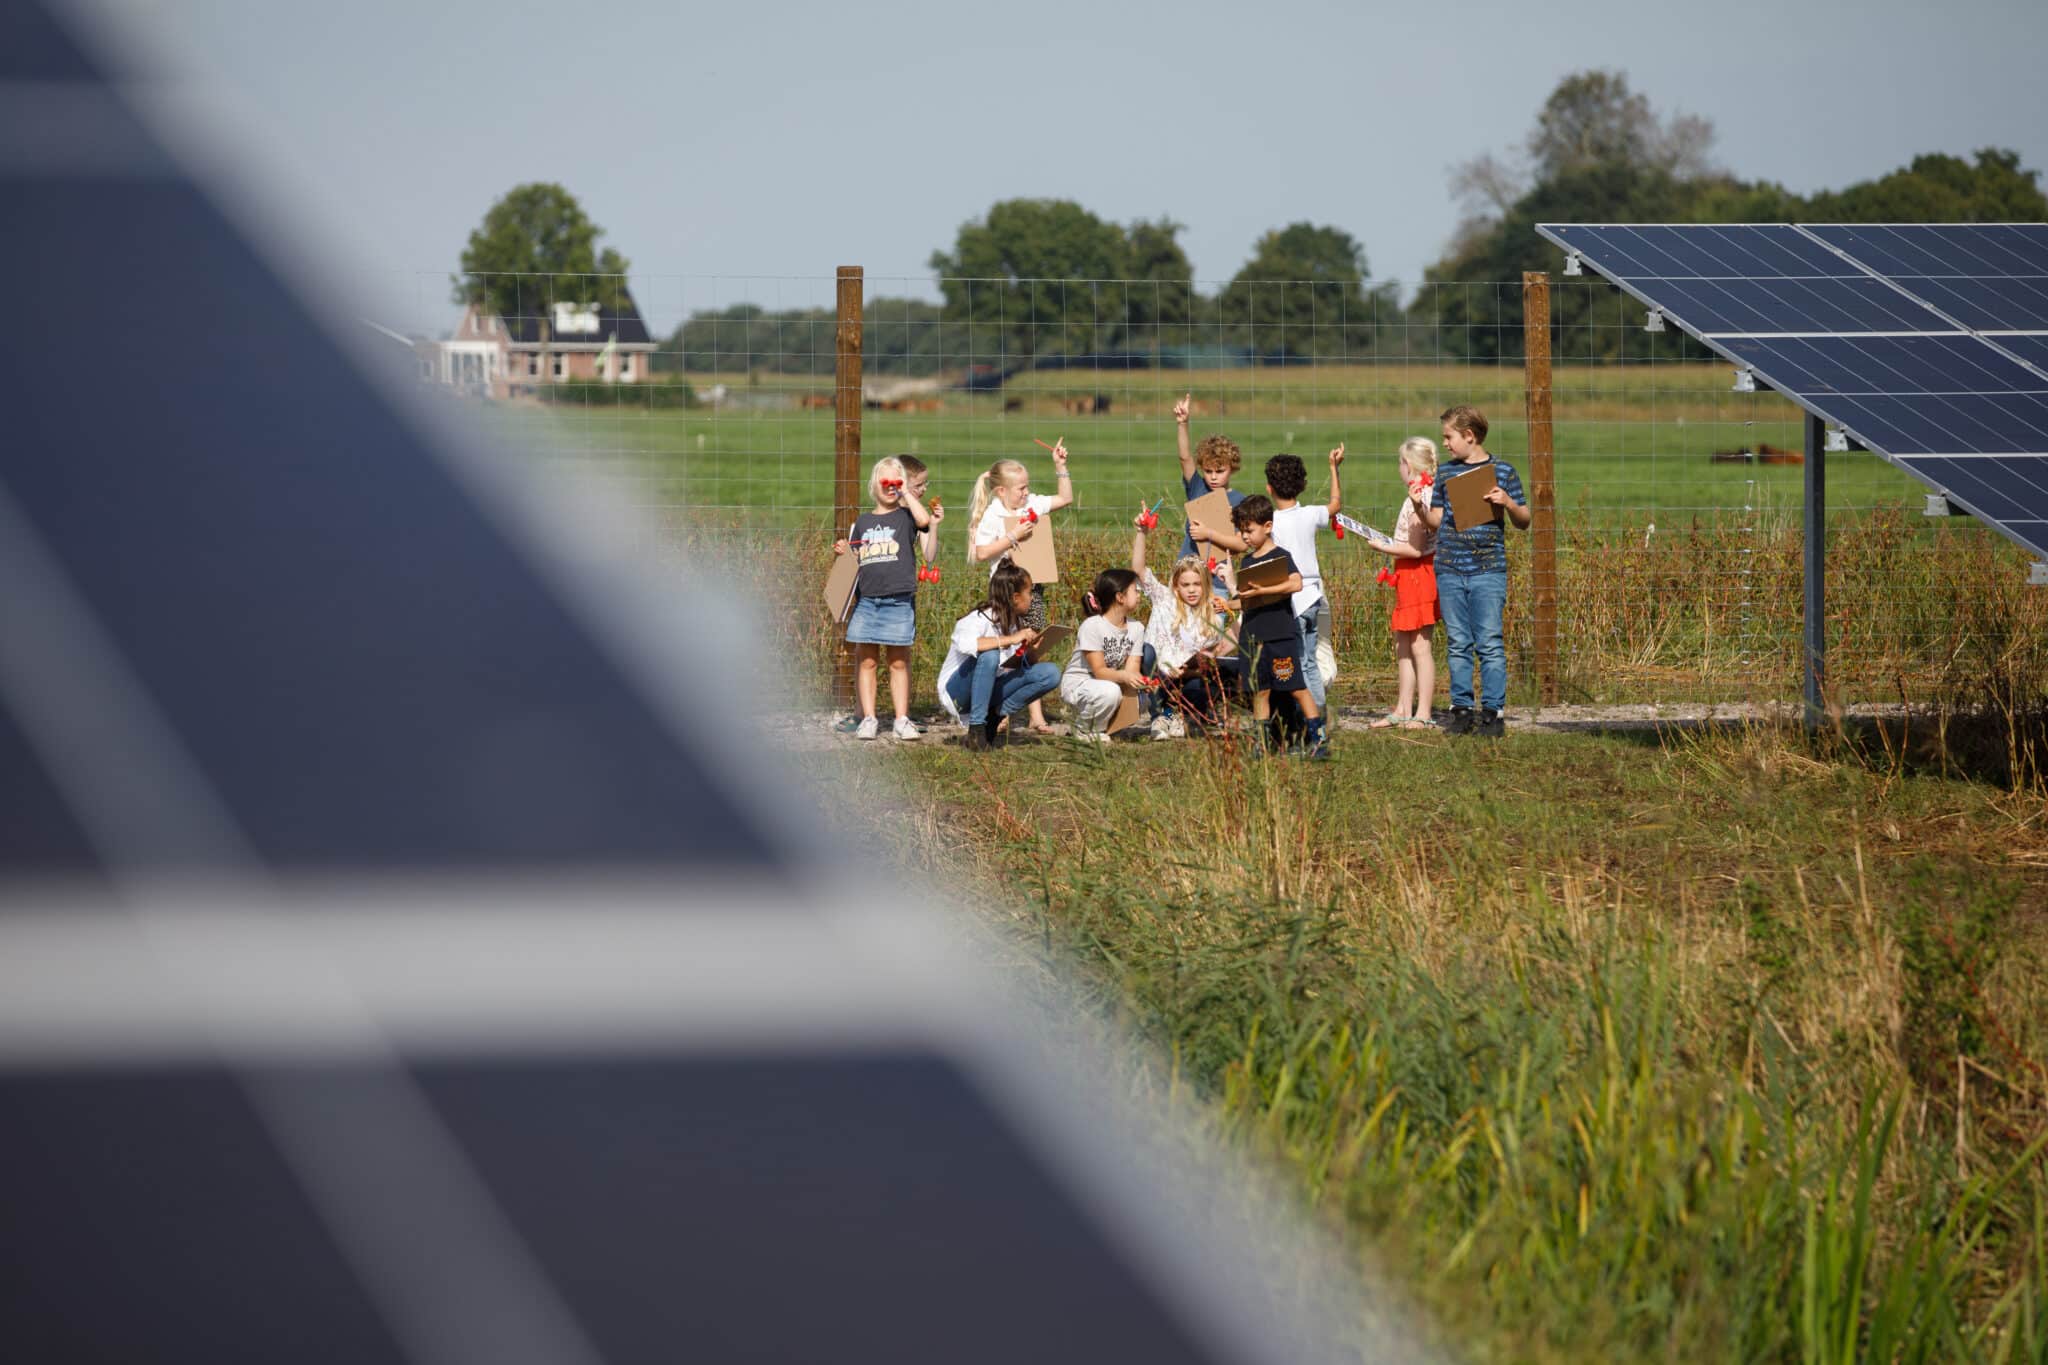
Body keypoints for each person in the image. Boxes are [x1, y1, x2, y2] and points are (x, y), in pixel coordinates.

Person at [1414, 405, 1528, 737]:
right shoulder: (1447, 474)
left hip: (1487, 571)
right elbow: (1437, 520)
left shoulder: (1503, 472)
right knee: (1458, 641)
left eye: (1449, 437)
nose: (1445, 444)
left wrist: (1507, 502)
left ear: (1469, 435)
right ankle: (1461, 709)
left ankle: (1493, 712)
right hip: (1449, 568)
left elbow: (1524, 521)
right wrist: (1421, 509)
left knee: (1489, 641)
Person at [968, 442, 1074, 734]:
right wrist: (1012, 537)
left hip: (1032, 590)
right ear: (1001, 491)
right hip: (1004, 594)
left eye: (1027, 487)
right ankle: (1001, 709)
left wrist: (1060, 466)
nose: (1026, 493)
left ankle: (1035, 715)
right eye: (1020, 489)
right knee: (1007, 650)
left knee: (1033, 645)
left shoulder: (1031, 505)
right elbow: (981, 553)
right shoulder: (992, 516)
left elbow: (1065, 498)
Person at [1224, 495, 1329, 760]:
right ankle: (1262, 744)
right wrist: (1226, 605)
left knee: (1295, 686)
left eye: (1249, 530)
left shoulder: (1281, 557)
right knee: (1260, 690)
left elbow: (1295, 584)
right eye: (1241, 531)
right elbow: (1247, 602)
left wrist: (1265, 588)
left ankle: (1318, 738)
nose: (1244, 536)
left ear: (1267, 526)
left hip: (1280, 636)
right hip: (1253, 637)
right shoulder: (1247, 562)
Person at [837, 455, 932, 741]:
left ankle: (902, 719)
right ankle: (869, 718)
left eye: (896, 481)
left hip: (898, 601)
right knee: (866, 661)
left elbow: (925, 520)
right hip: (868, 602)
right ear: (873, 486)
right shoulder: (863, 522)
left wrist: (906, 492)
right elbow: (856, 560)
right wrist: (845, 552)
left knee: (898, 661)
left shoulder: (906, 518)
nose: (891, 486)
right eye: (886, 482)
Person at [1130, 508, 1238, 736]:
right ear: (1176, 586)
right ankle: (1158, 715)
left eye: (1196, 585)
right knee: (1146, 652)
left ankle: (1180, 715)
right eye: (1185, 585)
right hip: (1160, 673)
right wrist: (1141, 533)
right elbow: (1138, 570)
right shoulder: (1164, 599)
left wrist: (1187, 672)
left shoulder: (1212, 615)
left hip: (1188, 677)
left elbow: (1209, 657)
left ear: (1205, 586)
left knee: (1207, 681)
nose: (1191, 590)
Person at [936, 561, 1061, 752]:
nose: (1033, 598)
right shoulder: (977, 619)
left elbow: (1015, 665)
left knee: (1050, 673)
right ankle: (976, 730)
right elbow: (970, 644)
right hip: (957, 694)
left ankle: (994, 717)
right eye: (1030, 593)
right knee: (990, 655)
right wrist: (1011, 639)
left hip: (989, 689)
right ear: (1016, 597)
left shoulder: (1016, 623)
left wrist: (1031, 651)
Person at [1366, 437, 1441, 729]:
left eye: (1400, 462)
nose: (1399, 467)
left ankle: (1422, 712)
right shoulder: (1420, 493)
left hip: (1419, 573)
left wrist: (1382, 546)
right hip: (1409, 575)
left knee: (1420, 646)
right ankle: (1402, 707)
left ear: (1408, 465)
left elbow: (1415, 548)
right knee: (1404, 645)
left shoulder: (1419, 498)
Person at [1264, 445, 1345, 709]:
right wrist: (1334, 468)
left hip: (1294, 601)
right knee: (1310, 661)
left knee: (1296, 661)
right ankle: (1318, 712)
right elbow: (1335, 505)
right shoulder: (1311, 513)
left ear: (1269, 488)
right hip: (1316, 598)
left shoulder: (1271, 522)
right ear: (1303, 485)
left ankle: (1303, 714)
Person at [1059, 568, 1148, 743]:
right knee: (1110, 692)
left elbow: (1132, 669)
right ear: (1120, 597)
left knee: (1142, 698)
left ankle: (1102, 726)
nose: (1139, 595)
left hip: (1105, 683)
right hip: (1079, 683)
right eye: (1135, 590)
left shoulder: (1137, 628)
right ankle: (1084, 729)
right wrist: (1125, 676)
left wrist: (1141, 682)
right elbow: (1099, 671)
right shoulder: (1092, 626)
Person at [1172, 393, 1248, 590]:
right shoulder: (1198, 487)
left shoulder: (1240, 501)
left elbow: (1241, 544)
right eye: (1208, 471)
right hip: (1185, 580)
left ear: (1232, 468)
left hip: (1217, 583)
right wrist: (1182, 423)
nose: (1213, 477)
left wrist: (1208, 533)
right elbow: (1184, 458)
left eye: (1220, 471)